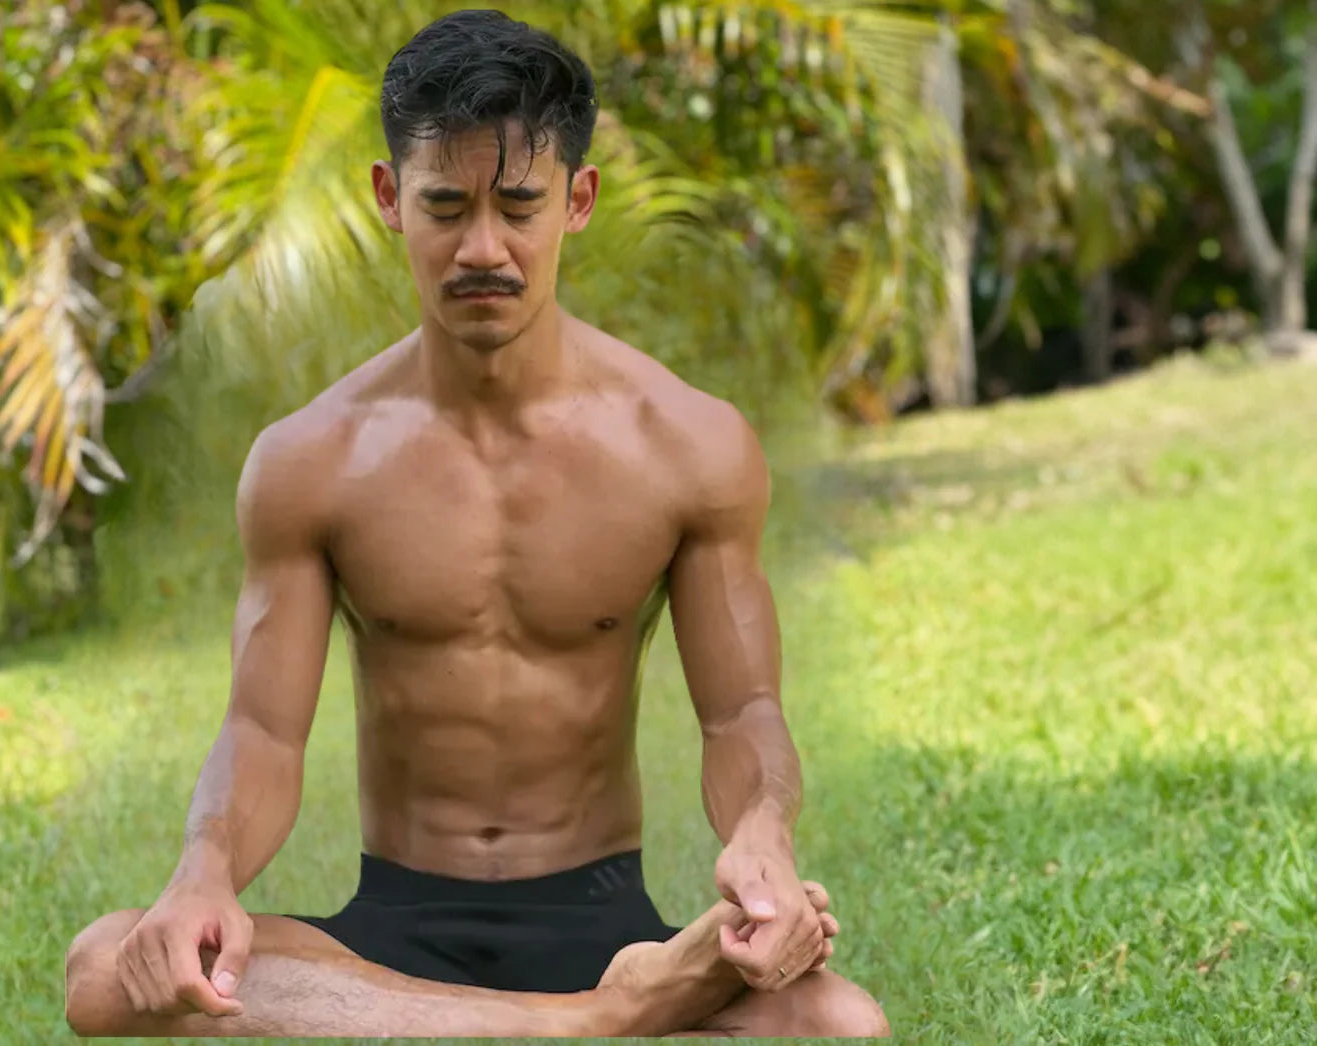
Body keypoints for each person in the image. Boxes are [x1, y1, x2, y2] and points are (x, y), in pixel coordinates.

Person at [63, 9, 889, 1038]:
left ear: (578, 200)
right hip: (395, 921)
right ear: (387, 199)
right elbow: (264, 730)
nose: (482, 248)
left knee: (840, 1024)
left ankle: (514, 1011)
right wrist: (204, 871)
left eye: (521, 205)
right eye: (445, 206)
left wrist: (764, 832)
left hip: (601, 913)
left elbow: (741, 713)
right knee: (108, 965)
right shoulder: (310, 459)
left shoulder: (688, 444)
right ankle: (591, 1024)